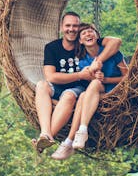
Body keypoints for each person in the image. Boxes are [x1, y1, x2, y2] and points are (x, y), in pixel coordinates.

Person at [33, 13, 122, 156]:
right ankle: (45, 133)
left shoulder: (85, 42)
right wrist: (80, 75)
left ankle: (47, 138)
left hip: (78, 88)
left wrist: (96, 62)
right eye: (68, 25)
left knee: (68, 96)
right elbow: (50, 76)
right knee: (41, 85)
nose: (72, 29)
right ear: (62, 28)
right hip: (58, 86)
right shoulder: (52, 47)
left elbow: (116, 42)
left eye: (75, 26)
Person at [51, 23, 128, 160]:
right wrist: (94, 75)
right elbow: (89, 79)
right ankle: (74, 137)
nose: (88, 34)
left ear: (97, 36)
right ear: (80, 41)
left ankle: (75, 136)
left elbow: (128, 77)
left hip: (116, 92)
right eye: (84, 33)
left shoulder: (112, 52)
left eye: (91, 31)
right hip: (97, 94)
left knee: (91, 88)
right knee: (84, 94)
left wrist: (107, 79)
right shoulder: (81, 61)